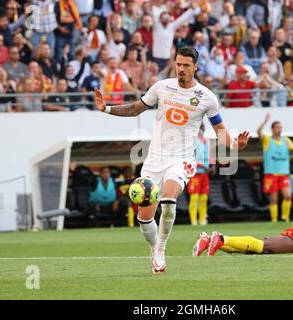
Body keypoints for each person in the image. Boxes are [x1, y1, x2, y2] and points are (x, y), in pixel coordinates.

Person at [93, 46, 250, 273]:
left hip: (182, 159)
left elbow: (220, 131)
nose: (181, 69)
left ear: (195, 67)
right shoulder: (161, 87)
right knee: (144, 216)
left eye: (186, 65)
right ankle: (154, 247)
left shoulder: (206, 97)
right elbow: (136, 109)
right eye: (178, 64)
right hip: (155, 159)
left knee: (168, 199)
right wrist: (106, 108)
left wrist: (236, 145)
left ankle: (161, 250)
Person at [256, 112, 293, 222]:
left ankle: (285, 217)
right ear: (273, 129)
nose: (280, 129)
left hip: (284, 173)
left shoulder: (285, 140)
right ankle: (274, 220)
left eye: (281, 127)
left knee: (288, 195)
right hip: (271, 173)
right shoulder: (267, 140)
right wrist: (265, 121)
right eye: (277, 127)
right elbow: (258, 132)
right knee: (274, 198)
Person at [187, 124, 213, 226]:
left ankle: (202, 221)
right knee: (194, 198)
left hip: (205, 173)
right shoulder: (193, 141)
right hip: (195, 173)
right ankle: (193, 221)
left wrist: (212, 165)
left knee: (204, 198)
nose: (202, 129)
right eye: (200, 127)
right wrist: (203, 166)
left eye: (203, 127)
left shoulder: (207, 141)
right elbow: (191, 158)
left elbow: (210, 155)